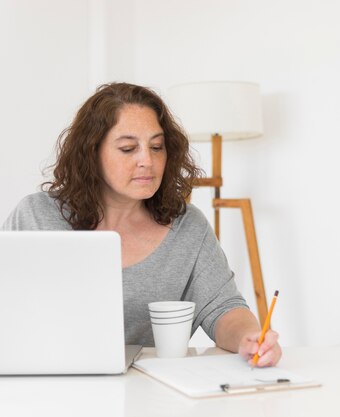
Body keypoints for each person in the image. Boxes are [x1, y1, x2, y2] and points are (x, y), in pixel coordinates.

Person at [1, 82, 281, 367]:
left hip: (145, 396)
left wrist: (250, 337)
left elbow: (224, 309)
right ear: (91, 153)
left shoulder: (187, 227)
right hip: (40, 386)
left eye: (156, 147)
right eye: (128, 148)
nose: (147, 160)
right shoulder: (35, 216)